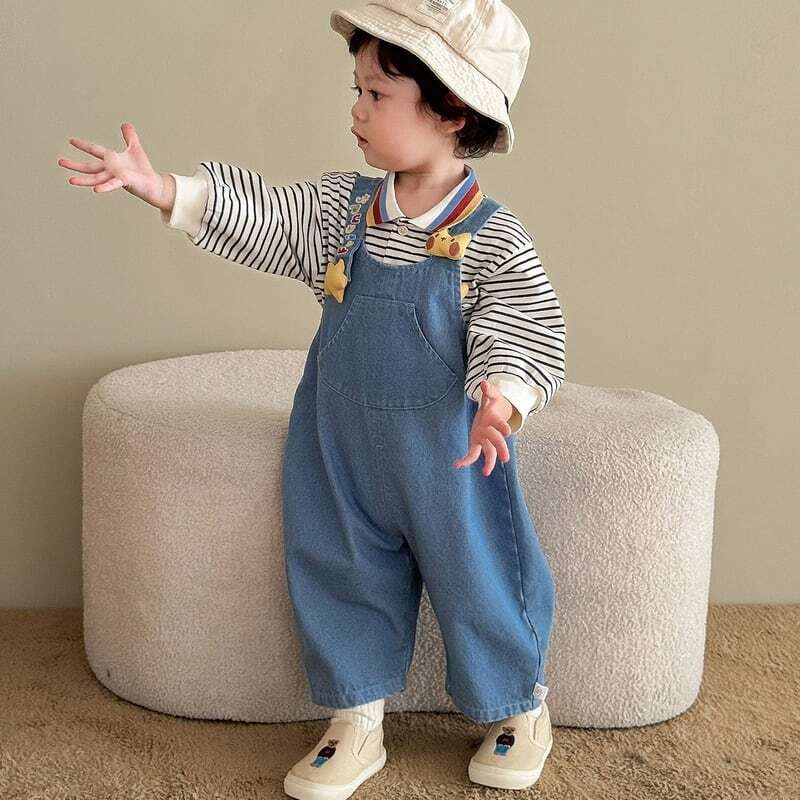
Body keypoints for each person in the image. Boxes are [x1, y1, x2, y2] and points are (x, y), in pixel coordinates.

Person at [57, 2, 565, 797]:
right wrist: (165, 191)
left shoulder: (492, 237)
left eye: (377, 95)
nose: (355, 109)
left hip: (451, 458)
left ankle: (516, 705)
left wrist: (502, 398)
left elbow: (524, 319)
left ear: (452, 110)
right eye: (356, 89)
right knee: (339, 571)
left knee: (481, 574)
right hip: (339, 450)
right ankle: (356, 718)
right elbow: (264, 216)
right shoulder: (341, 214)